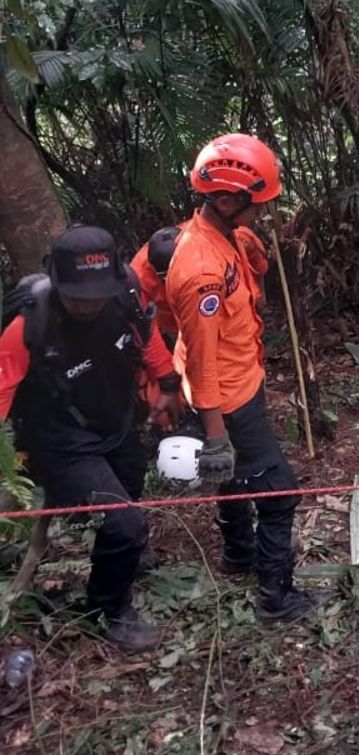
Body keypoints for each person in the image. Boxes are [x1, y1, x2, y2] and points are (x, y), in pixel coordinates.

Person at [0, 225, 182, 653]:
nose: (89, 303)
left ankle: (126, 555)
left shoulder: (126, 297)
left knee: (132, 485)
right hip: (59, 441)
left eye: (97, 293)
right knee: (123, 520)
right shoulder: (28, 325)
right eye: (78, 295)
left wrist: (169, 383)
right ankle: (111, 609)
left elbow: (148, 336)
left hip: (115, 418)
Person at [166, 132, 325, 623]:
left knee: (238, 478)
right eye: (257, 206)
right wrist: (216, 437)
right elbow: (202, 361)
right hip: (227, 399)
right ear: (227, 198)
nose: (263, 214)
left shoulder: (223, 238)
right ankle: (276, 598)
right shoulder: (201, 273)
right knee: (279, 493)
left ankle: (238, 554)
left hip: (241, 384)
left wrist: (250, 248)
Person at [129, 221, 270, 342]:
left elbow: (250, 246)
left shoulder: (216, 236)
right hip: (178, 320)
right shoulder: (137, 281)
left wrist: (260, 292)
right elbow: (145, 329)